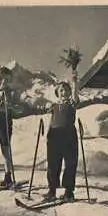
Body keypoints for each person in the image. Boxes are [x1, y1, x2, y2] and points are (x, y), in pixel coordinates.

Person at [33, 72, 80, 202]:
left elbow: (76, 96)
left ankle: (69, 192)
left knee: (70, 164)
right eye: (61, 90)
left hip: (69, 137)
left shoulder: (72, 104)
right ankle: (52, 190)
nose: (63, 92)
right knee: (53, 165)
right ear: (57, 93)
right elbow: (42, 109)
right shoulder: (53, 106)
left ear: (70, 92)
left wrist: (75, 81)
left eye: (66, 90)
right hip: (54, 137)